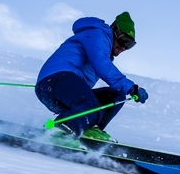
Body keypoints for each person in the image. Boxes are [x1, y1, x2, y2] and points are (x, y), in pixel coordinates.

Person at [35, 12, 149, 142]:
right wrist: (131, 87)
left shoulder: (106, 51)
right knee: (92, 105)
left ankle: (90, 130)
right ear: (114, 30)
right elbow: (101, 64)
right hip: (55, 80)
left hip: (66, 89)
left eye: (129, 45)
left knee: (115, 97)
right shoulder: (98, 34)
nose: (124, 47)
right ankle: (62, 130)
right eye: (124, 40)